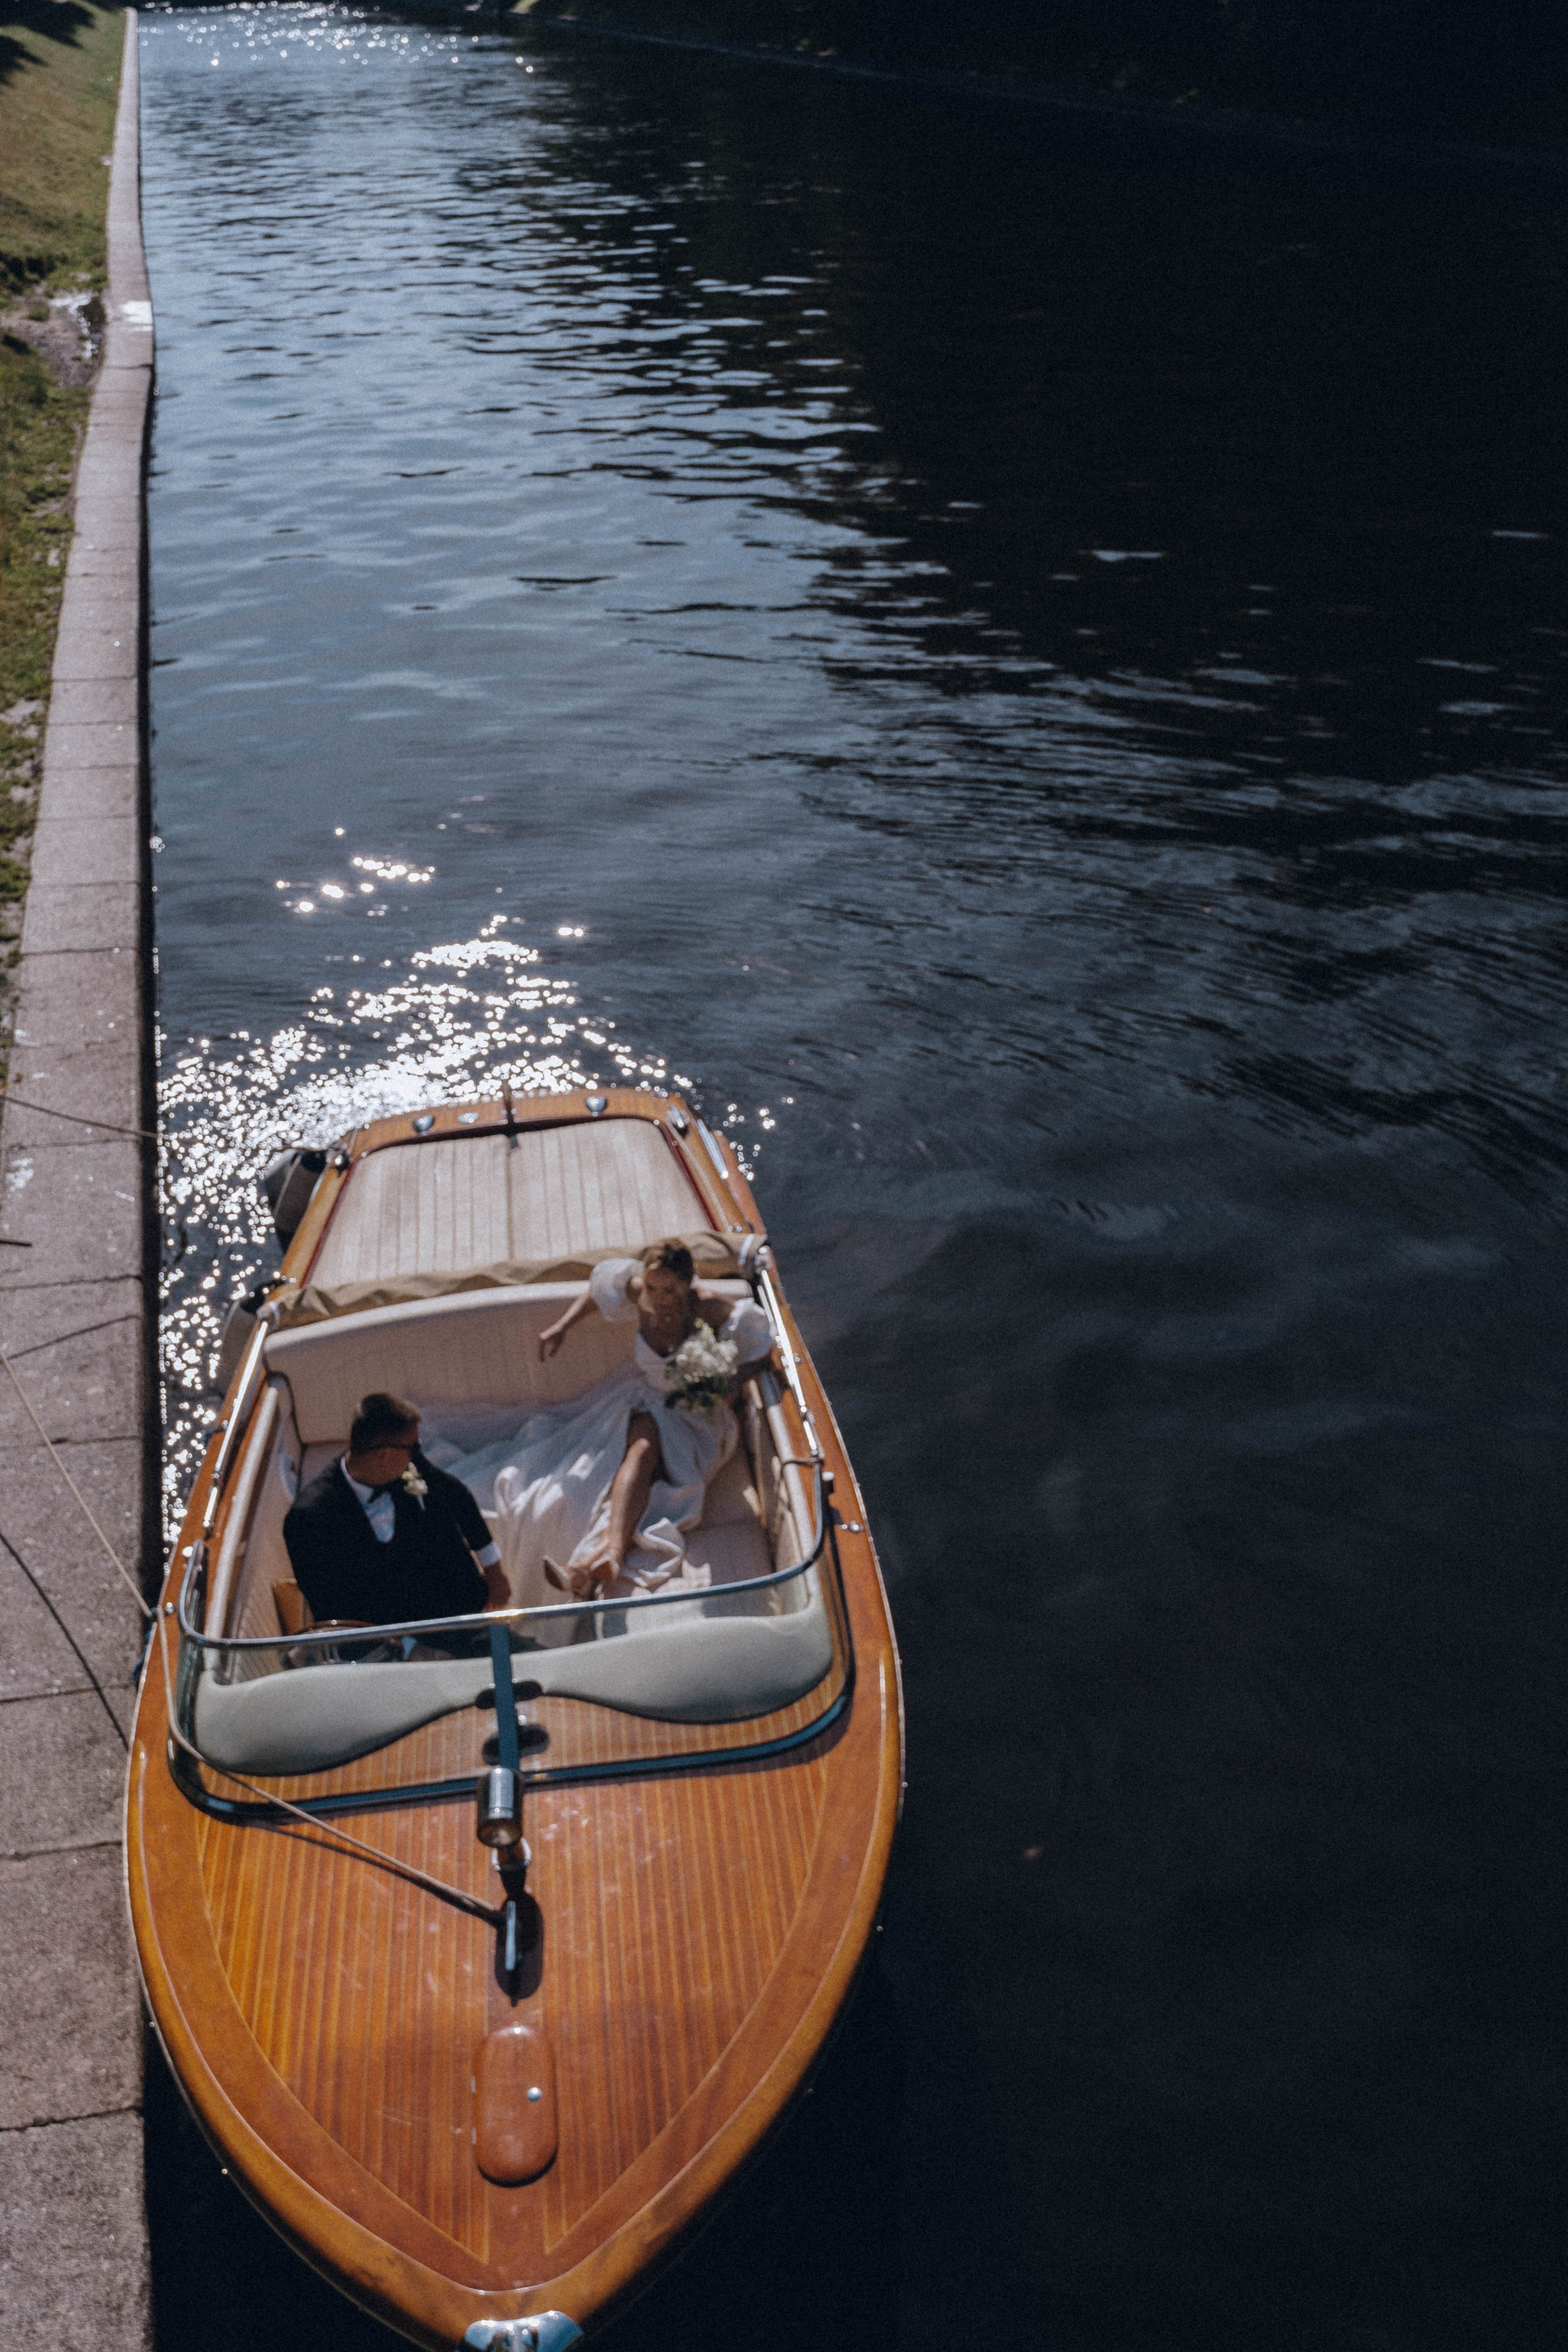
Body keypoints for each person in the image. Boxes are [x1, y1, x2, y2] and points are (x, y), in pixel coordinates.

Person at [422, 1241, 772, 1623]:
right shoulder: (639, 1293)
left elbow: (760, 1342)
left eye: (670, 1290)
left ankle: (592, 1565)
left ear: (688, 1284)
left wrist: (729, 1386)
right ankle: (596, 1564)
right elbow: (596, 1294)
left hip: (695, 1418)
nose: (660, 1298)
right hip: (647, 1401)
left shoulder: (703, 1305)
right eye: (653, 1287)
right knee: (638, 1456)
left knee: (640, 1457)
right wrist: (561, 1327)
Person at [283, 1389, 510, 1638]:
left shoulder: (409, 1464)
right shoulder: (309, 1520)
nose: (418, 1454)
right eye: (413, 1448)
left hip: (460, 1619)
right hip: (387, 1648)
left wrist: (494, 1572)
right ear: (383, 1455)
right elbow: (331, 1607)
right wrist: (407, 1649)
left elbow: (457, 1496)